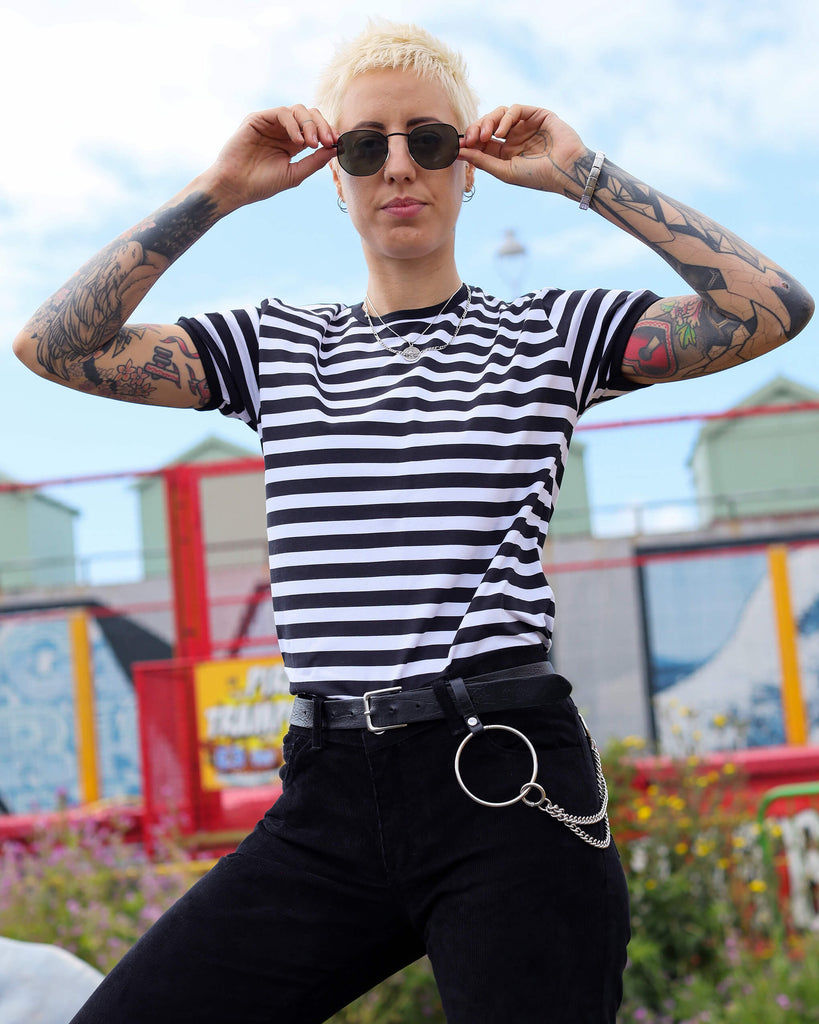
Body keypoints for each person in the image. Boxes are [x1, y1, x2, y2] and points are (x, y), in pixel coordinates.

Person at [13, 19, 813, 1024]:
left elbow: (772, 303)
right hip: (327, 800)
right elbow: (53, 345)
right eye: (364, 145)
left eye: (430, 140)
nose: (400, 166)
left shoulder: (550, 335)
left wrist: (581, 173)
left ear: (469, 167)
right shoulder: (275, 347)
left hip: (503, 780)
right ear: (333, 176)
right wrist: (218, 188)